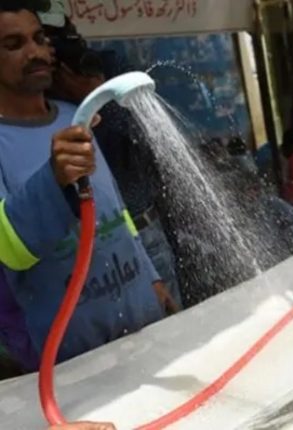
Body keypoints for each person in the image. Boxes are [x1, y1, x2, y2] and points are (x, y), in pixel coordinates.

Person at [0, 1, 167, 370]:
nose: (36, 53)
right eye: (13, 44)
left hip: (139, 317)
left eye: (39, 39)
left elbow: (114, 207)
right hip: (71, 355)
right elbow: (8, 250)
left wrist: (150, 277)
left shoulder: (72, 116)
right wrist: (53, 179)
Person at [41, 14, 182, 312]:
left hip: (144, 230)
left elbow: (144, 137)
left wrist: (92, 94)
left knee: (170, 326)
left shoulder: (110, 67)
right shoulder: (45, 99)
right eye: (52, 41)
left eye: (70, 36)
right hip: (86, 246)